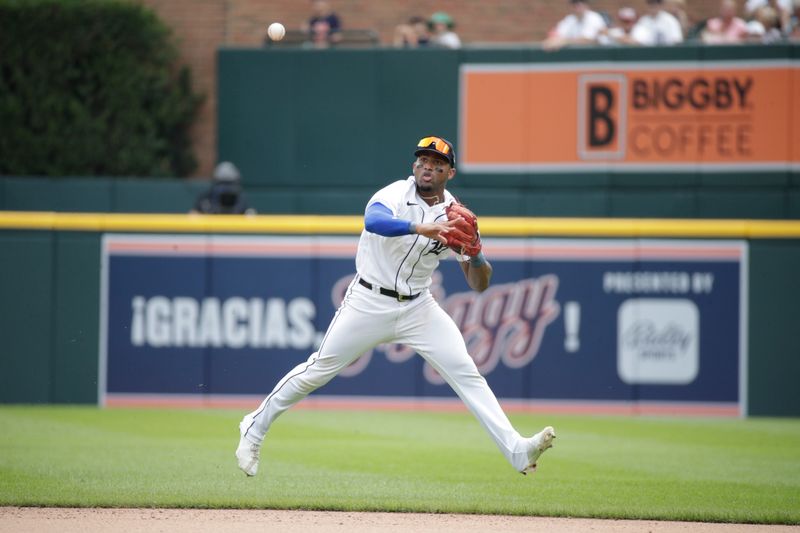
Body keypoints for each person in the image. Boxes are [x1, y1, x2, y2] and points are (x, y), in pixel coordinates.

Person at [235, 135, 556, 477]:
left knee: (467, 373)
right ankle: (254, 426)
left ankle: (518, 451)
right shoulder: (393, 195)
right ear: (414, 166)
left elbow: (479, 285)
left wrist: (476, 253)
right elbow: (373, 221)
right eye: (422, 161)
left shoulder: (455, 215)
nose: (428, 168)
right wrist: (421, 227)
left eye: (437, 164)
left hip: (419, 307)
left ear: (451, 173)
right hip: (369, 301)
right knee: (317, 370)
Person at [191, 161, 256, 215]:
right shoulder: (206, 200)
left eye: (230, 183)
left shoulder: (241, 200)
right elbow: (193, 216)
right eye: (222, 183)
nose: (226, 188)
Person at [542, 0, 608, 50]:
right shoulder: (569, 19)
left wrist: (564, 41)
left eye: (580, 3)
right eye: (574, 4)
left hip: (600, 55)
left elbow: (587, 40)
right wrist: (551, 41)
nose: (577, 7)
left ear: (586, 5)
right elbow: (557, 34)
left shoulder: (594, 17)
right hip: (579, 56)